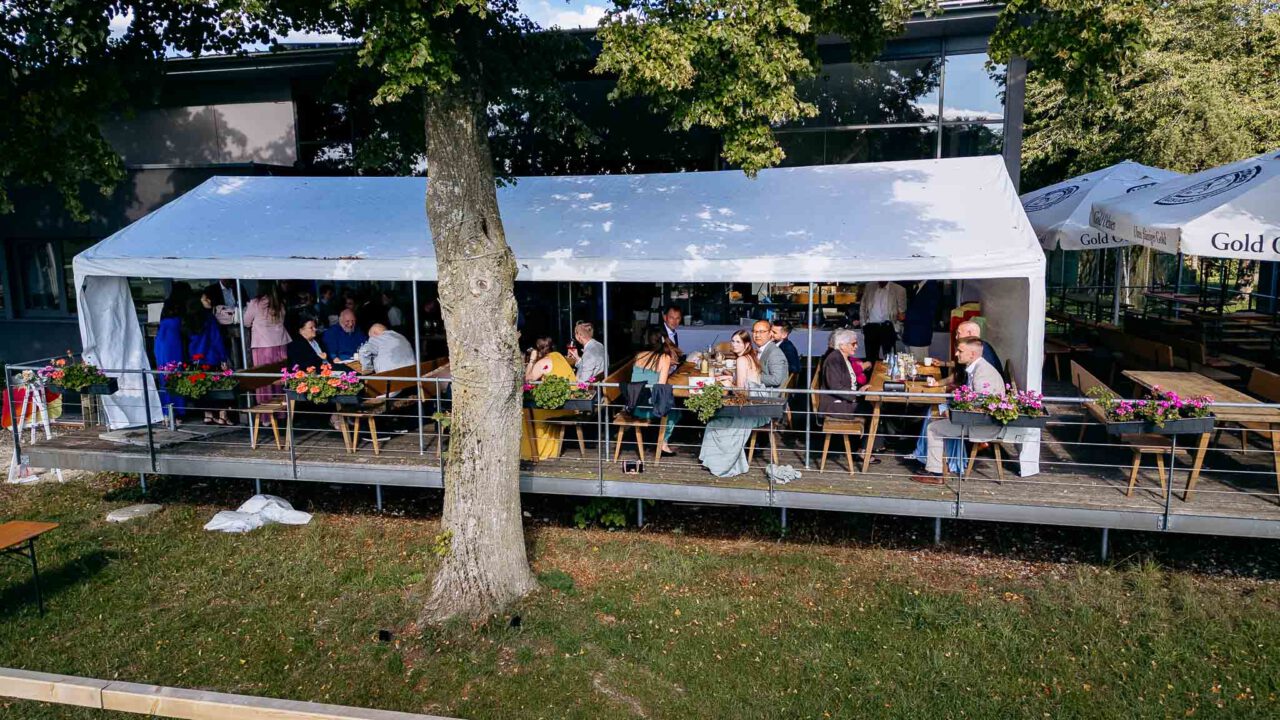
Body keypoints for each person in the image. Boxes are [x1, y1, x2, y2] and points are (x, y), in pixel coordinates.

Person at [913, 337, 1005, 484]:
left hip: (984, 425)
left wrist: (953, 413)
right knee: (935, 418)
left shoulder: (983, 373)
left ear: (972, 354)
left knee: (933, 428)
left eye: (960, 351)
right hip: (977, 421)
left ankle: (937, 473)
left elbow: (980, 404)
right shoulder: (977, 368)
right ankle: (942, 466)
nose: (956, 354)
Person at [699, 329, 770, 477]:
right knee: (715, 419)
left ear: (747, 344)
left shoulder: (741, 360)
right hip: (758, 406)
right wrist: (730, 378)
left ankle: (719, 464)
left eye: (738, 342)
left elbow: (741, 392)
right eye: (733, 341)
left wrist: (728, 383)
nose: (734, 344)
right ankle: (713, 461)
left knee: (713, 423)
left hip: (748, 410)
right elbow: (746, 385)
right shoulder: (751, 357)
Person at [818, 329, 880, 462]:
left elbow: (847, 383)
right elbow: (835, 387)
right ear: (842, 345)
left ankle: (867, 446)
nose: (856, 346)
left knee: (875, 407)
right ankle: (863, 450)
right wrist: (856, 394)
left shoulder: (843, 357)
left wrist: (859, 390)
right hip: (834, 405)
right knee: (875, 410)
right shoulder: (834, 359)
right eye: (853, 344)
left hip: (843, 400)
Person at [521, 337, 577, 461]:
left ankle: (534, 452)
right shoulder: (559, 356)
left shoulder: (543, 362)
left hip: (558, 407)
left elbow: (528, 380)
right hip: (570, 404)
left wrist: (531, 360)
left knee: (525, 413)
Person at [629, 326, 679, 456]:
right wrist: (667, 366)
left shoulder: (639, 355)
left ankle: (656, 439)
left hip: (635, 404)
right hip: (649, 407)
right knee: (675, 411)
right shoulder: (664, 358)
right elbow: (660, 387)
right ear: (663, 340)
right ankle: (663, 443)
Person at [188, 285, 233, 425]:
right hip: (211, 356)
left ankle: (208, 414)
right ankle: (222, 415)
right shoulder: (209, 319)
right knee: (219, 387)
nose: (209, 300)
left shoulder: (190, 319)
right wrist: (223, 358)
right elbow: (216, 339)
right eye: (205, 299)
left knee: (202, 387)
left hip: (196, 358)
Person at [243, 280, 291, 405]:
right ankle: (282, 411)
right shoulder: (280, 302)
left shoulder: (255, 303)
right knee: (280, 377)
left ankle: (266, 416)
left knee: (264, 379)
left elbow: (246, 322)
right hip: (280, 342)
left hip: (263, 344)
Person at [154, 282, 193, 421]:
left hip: (160, 341)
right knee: (176, 374)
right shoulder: (184, 306)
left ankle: (167, 411)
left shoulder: (167, 304)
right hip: (173, 341)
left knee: (164, 375)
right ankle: (178, 411)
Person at [858, 281, 907, 362]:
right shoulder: (869, 287)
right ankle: (871, 374)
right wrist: (863, 324)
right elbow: (863, 306)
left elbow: (902, 311)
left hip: (888, 326)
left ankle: (888, 374)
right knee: (870, 358)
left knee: (889, 358)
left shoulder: (899, 289)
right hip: (871, 326)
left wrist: (896, 329)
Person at [950, 319, 1004, 387]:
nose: (956, 337)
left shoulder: (982, 354)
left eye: (958, 333)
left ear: (969, 333)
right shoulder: (980, 347)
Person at [903, 280, 941, 362]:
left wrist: (906, 316)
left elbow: (927, 313)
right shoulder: (917, 287)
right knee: (910, 365)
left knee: (919, 366)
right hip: (911, 335)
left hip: (919, 337)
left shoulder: (931, 287)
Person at [751, 320, 789, 393]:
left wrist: (752, 377)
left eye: (762, 332)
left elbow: (776, 379)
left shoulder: (774, 353)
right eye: (754, 331)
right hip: (760, 390)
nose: (757, 335)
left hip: (770, 395)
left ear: (770, 333)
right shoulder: (763, 349)